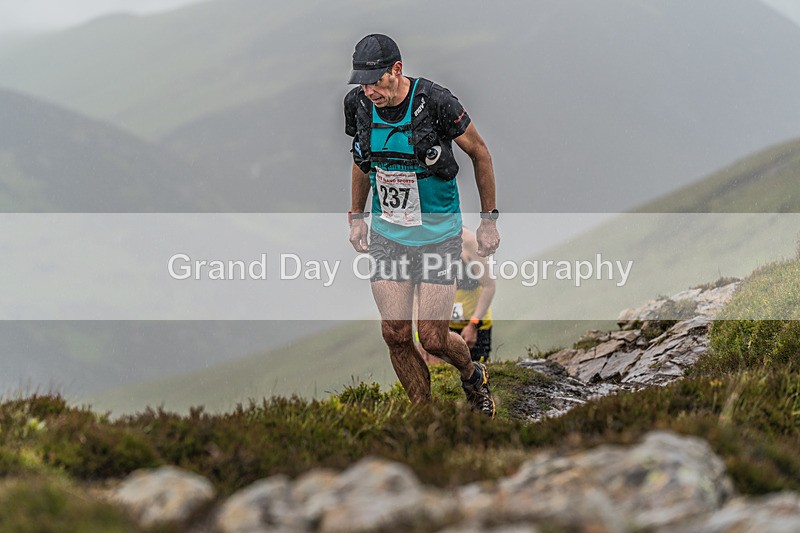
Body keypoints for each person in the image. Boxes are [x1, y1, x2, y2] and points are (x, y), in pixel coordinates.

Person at [344, 34, 500, 417]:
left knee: (431, 337)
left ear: (396, 70)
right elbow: (362, 162)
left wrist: (488, 221)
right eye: (361, 82)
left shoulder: (436, 102)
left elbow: (480, 153)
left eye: (374, 80)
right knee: (394, 333)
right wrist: (356, 217)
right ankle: (424, 415)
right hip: (388, 235)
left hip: (436, 236)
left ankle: (471, 374)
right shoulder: (359, 106)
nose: (368, 90)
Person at [420, 227, 496, 365]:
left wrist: (473, 324)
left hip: (475, 325)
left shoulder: (468, 241)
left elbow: (489, 286)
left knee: (475, 374)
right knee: (442, 376)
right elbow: (417, 294)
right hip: (445, 326)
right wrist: (421, 334)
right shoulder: (424, 242)